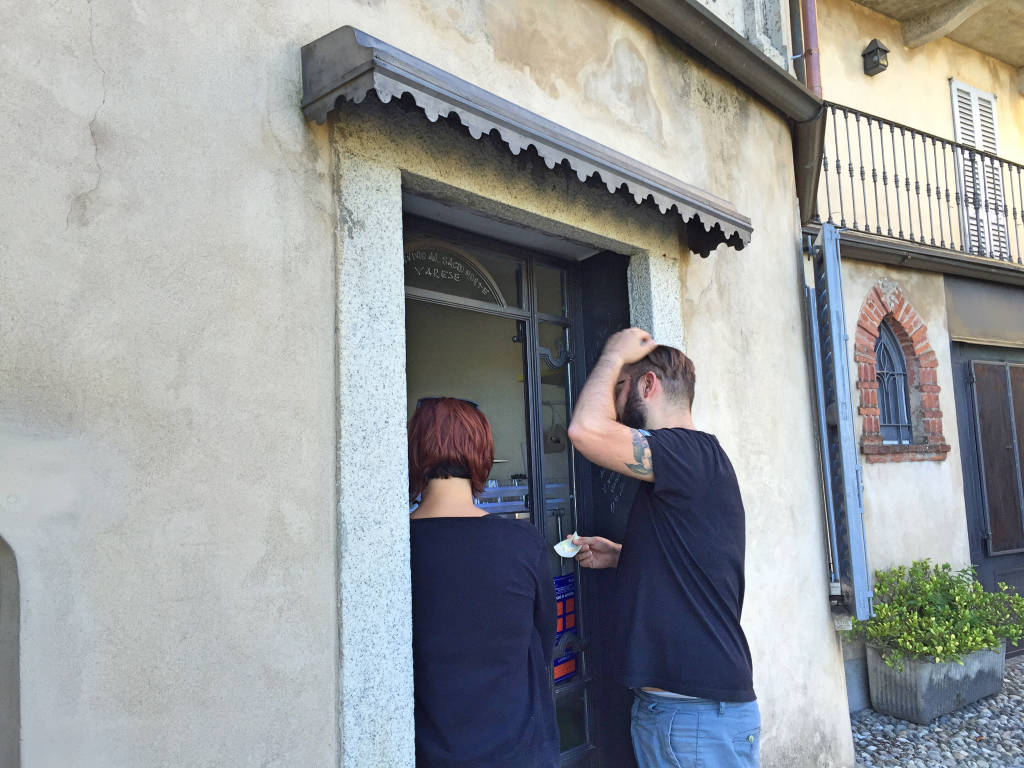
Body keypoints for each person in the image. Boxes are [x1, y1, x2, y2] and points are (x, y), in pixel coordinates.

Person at [565, 329, 759, 768]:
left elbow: (584, 430)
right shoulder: (694, 462)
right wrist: (621, 556)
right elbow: (694, 561)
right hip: (687, 712)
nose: (612, 402)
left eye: (619, 388)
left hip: (694, 715)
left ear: (647, 385)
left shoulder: (687, 451)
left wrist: (613, 353)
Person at [408, 397, 559, 768]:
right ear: (482, 452)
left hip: (428, 754)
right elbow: (545, 639)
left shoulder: (394, 548)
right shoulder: (522, 542)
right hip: (519, 752)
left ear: (414, 453)